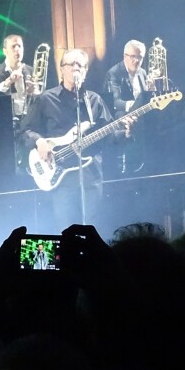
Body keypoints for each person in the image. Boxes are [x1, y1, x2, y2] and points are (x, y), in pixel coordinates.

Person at [21, 48, 128, 233]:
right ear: (62, 69)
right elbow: (25, 130)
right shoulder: (47, 99)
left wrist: (125, 133)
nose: (76, 68)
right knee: (66, 232)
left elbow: (109, 137)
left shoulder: (95, 100)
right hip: (61, 179)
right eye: (71, 64)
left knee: (94, 232)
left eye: (81, 65)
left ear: (86, 71)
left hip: (91, 176)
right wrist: (40, 142)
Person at [103, 40, 155, 174]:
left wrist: (150, 90)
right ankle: (132, 165)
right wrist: (132, 104)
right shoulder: (113, 73)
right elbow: (114, 102)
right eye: (133, 57)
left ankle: (152, 161)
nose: (136, 61)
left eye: (140, 57)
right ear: (125, 56)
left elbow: (144, 98)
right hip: (121, 113)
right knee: (130, 120)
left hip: (141, 111)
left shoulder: (142, 72)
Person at [0, 34, 36, 117]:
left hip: (28, 121)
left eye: (19, 46)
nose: (17, 49)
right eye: (13, 46)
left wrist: (34, 93)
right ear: (5, 51)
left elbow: (39, 100)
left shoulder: (31, 71)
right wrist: (8, 82)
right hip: (5, 121)